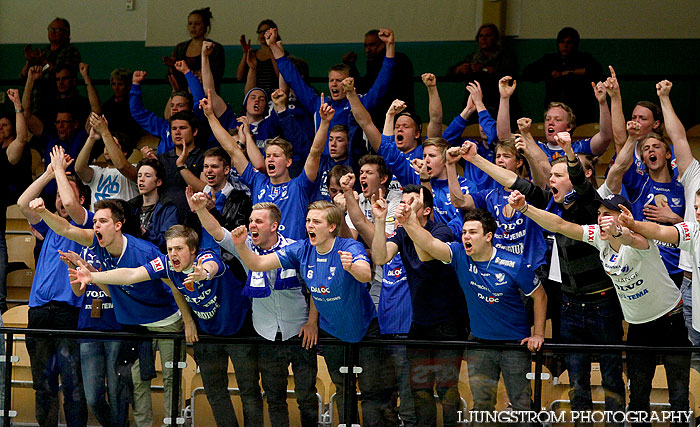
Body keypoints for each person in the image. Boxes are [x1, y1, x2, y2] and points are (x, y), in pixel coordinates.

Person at [461, 130, 626, 415]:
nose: (551, 180)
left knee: (611, 376)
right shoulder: (550, 204)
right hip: (570, 303)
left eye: (557, 176)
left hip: (602, 302)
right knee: (577, 379)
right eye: (550, 176)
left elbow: (584, 187)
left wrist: (569, 154)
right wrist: (476, 159)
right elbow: (512, 180)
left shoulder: (590, 207)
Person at [510, 190, 690, 424]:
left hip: (669, 319)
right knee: (637, 396)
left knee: (678, 393)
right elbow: (560, 225)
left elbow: (631, 239)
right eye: (599, 214)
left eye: (608, 214)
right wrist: (525, 208)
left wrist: (618, 230)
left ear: (623, 216)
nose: (600, 218)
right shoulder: (598, 236)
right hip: (638, 325)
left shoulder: (640, 238)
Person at [70, 224, 261, 427]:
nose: (173, 254)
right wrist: (93, 276)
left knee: (249, 391)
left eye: (179, 249)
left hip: (239, 329)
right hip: (207, 333)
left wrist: (203, 274)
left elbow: (212, 267)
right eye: (170, 249)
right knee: (215, 393)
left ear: (193, 250)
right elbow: (132, 275)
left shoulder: (206, 258)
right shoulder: (168, 264)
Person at [27, 198, 192, 427]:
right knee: (137, 381)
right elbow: (65, 228)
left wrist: (188, 320)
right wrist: (43, 211)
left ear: (118, 225)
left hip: (165, 319)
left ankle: (173, 424)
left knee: (170, 379)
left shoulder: (144, 251)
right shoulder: (96, 244)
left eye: (103, 221)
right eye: (94, 221)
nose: (96, 226)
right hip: (137, 324)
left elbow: (169, 282)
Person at [231, 200, 394, 426]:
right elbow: (258, 264)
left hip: (366, 329)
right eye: (308, 220)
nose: (309, 225)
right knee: (342, 388)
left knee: (372, 391)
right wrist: (240, 246)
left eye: (316, 221)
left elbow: (367, 274)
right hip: (332, 333)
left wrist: (352, 267)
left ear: (332, 227)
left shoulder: (348, 247)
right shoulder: (301, 250)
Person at [399, 199, 546, 419]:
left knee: (522, 406)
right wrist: (409, 221)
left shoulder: (514, 264)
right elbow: (429, 244)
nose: (466, 236)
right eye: (465, 232)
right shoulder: (459, 255)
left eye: (473, 232)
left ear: (488, 237)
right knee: (481, 407)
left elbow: (540, 295)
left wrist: (539, 334)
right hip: (479, 344)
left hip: (514, 346)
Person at [193, 198, 319, 426]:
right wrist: (201, 209)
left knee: (307, 397)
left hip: (300, 334)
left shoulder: (297, 248)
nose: (252, 225)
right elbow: (216, 231)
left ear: (274, 226)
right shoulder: (244, 246)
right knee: (275, 399)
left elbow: (315, 287)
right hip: (265, 334)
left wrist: (311, 322)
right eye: (251, 220)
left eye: (258, 221)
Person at [371, 185, 468, 427]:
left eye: (411, 201)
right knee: (419, 390)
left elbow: (426, 255)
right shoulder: (402, 233)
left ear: (426, 210)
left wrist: (409, 223)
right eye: (402, 201)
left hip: (449, 324)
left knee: (447, 390)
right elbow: (380, 258)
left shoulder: (442, 231)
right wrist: (380, 221)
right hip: (420, 324)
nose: (404, 205)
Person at [337, 160, 416, 425]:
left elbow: (372, 237)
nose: (362, 176)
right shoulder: (383, 231)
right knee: (377, 379)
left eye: (369, 172)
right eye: (361, 172)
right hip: (377, 299)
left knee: (406, 381)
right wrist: (348, 195)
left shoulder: (401, 215)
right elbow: (357, 228)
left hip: (404, 306)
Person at [16, 147, 91, 427]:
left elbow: (71, 207)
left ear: (82, 199)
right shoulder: (48, 226)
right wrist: (49, 173)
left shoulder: (87, 226)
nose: (60, 199)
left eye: (65, 192)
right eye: (57, 194)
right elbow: (23, 203)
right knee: (43, 386)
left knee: (72, 385)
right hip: (38, 312)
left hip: (67, 313)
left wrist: (60, 170)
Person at [201, 89, 326, 240]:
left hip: (290, 258)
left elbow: (315, 152)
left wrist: (324, 123)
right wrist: (210, 116)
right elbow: (232, 150)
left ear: (288, 162)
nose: (270, 159)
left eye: (276, 156)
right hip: (260, 257)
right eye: (267, 156)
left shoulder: (300, 185)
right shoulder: (258, 181)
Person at [266, 26, 396, 163]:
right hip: (323, 166)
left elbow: (382, 83)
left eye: (339, 81)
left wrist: (390, 46)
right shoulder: (319, 104)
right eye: (331, 80)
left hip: (354, 165)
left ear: (350, 82)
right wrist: (273, 46)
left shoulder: (361, 103)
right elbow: (294, 79)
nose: (334, 84)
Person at [496, 75, 613, 161]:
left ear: (569, 126)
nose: (550, 123)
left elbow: (606, 136)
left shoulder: (580, 147)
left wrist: (602, 103)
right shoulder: (534, 146)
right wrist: (504, 98)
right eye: (548, 119)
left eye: (557, 120)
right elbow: (504, 136)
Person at [523, 27, 603, 125]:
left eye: (569, 43)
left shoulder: (584, 58)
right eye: (562, 42)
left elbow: (597, 71)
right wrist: (548, 74)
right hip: (555, 110)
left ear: (575, 44)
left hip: (581, 111)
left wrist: (569, 72)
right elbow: (527, 72)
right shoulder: (550, 60)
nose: (565, 46)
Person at [0, 88, 32, 314]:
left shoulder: (9, 153)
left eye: (4, 125)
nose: (0, 129)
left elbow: (22, 137)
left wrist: (17, 106)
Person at [343, 28, 415, 124]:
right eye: (366, 46)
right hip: (380, 118)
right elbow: (366, 88)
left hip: (399, 113)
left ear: (383, 44)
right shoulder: (373, 65)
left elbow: (377, 86)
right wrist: (351, 66)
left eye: (372, 45)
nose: (368, 49)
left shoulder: (398, 61)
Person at [448, 23, 518, 119]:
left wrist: (484, 69)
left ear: (496, 38)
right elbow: (450, 74)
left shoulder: (505, 57)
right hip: (474, 107)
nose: (483, 39)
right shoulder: (472, 57)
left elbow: (510, 74)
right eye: (481, 36)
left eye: (488, 35)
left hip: (498, 104)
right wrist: (459, 69)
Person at [75, 113, 138, 209]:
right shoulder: (97, 171)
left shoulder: (136, 168)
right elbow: (79, 168)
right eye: (106, 145)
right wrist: (91, 138)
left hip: (121, 222)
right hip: (97, 222)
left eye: (112, 145)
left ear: (124, 152)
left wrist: (105, 132)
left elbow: (122, 166)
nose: (107, 149)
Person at [129, 69, 193, 154]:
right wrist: (135, 84)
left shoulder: (197, 127)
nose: (174, 108)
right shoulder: (164, 126)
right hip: (163, 166)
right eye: (172, 105)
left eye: (180, 105)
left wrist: (187, 72)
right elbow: (138, 112)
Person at [168, 7, 225, 93]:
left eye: (197, 24)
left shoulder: (215, 48)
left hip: (207, 95)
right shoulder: (180, 48)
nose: (193, 27)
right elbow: (173, 78)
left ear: (206, 26)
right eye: (190, 23)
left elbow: (217, 75)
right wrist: (172, 66)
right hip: (184, 96)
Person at [129, 158, 178, 252]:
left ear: (158, 182)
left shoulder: (168, 208)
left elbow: (168, 241)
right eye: (139, 176)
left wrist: (145, 233)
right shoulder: (130, 207)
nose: (141, 180)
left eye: (147, 176)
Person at [237, 19, 282, 94]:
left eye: (265, 31)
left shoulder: (281, 54)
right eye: (260, 32)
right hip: (256, 96)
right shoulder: (253, 54)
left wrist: (272, 50)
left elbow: (281, 76)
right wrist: (245, 53)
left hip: (274, 94)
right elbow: (239, 77)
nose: (262, 35)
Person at [101, 68, 143, 145]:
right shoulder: (107, 105)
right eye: (114, 84)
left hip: (128, 142)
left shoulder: (133, 104)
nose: (116, 88)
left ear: (128, 86)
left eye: (120, 84)